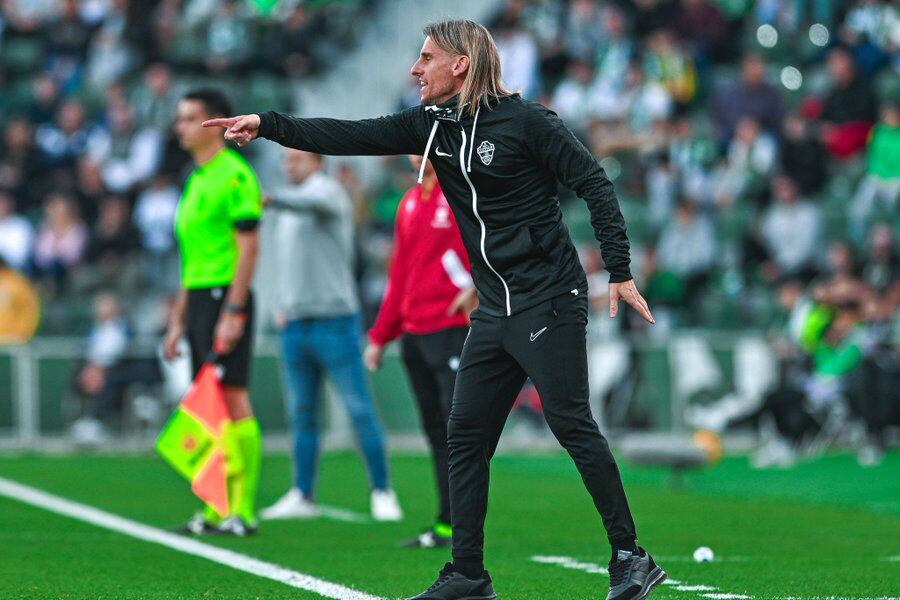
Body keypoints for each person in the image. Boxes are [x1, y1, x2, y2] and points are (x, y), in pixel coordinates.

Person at [204, 19, 664, 600]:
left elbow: (596, 185)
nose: (414, 70)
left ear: (461, 65)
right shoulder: (431, 127)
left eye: (426, 58)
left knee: (570, 423)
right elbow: (349, 134)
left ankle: (630, 556)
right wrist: (268, 125)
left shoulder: (528, 122)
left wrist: (619, 271)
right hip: (495, 308)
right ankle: (468, 574)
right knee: (464, 435)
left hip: (550, 298)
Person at [259, 148, 402, 523]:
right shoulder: (294, 205)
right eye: (286, 160)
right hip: (295, 324)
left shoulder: (326, 192)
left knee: (358, 408)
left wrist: (270, 197)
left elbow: (308, 202)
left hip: (334, 322)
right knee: (301, 413)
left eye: (298, 160)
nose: (290, 165)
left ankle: (382, 491)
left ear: (317, 163)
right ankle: (302, 492)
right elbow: (286, 263)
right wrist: (281, 303)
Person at [162, 89, 262, 537]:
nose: (180, 126)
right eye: (179, 118)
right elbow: (190, 260)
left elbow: (248, 246)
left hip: (225, 295)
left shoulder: (235, 175)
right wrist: (178, 320)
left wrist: (234, 309)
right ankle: (216, 506)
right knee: (209, 402)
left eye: (189, 118)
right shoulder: (195, 179)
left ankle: (241, 509)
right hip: (200, 298)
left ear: (214, 123)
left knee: (231, 395)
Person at [363, 155, 477, 548]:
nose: (416, 152)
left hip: (452, 329)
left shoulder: (462, 190)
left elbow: (493, 239)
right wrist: (381, 335)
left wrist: (479, 286)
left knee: (458, 431)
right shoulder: (409, 201)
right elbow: (400, 274)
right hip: (415, 333)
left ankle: (463, 528)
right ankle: (447, 523)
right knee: (435, 431)